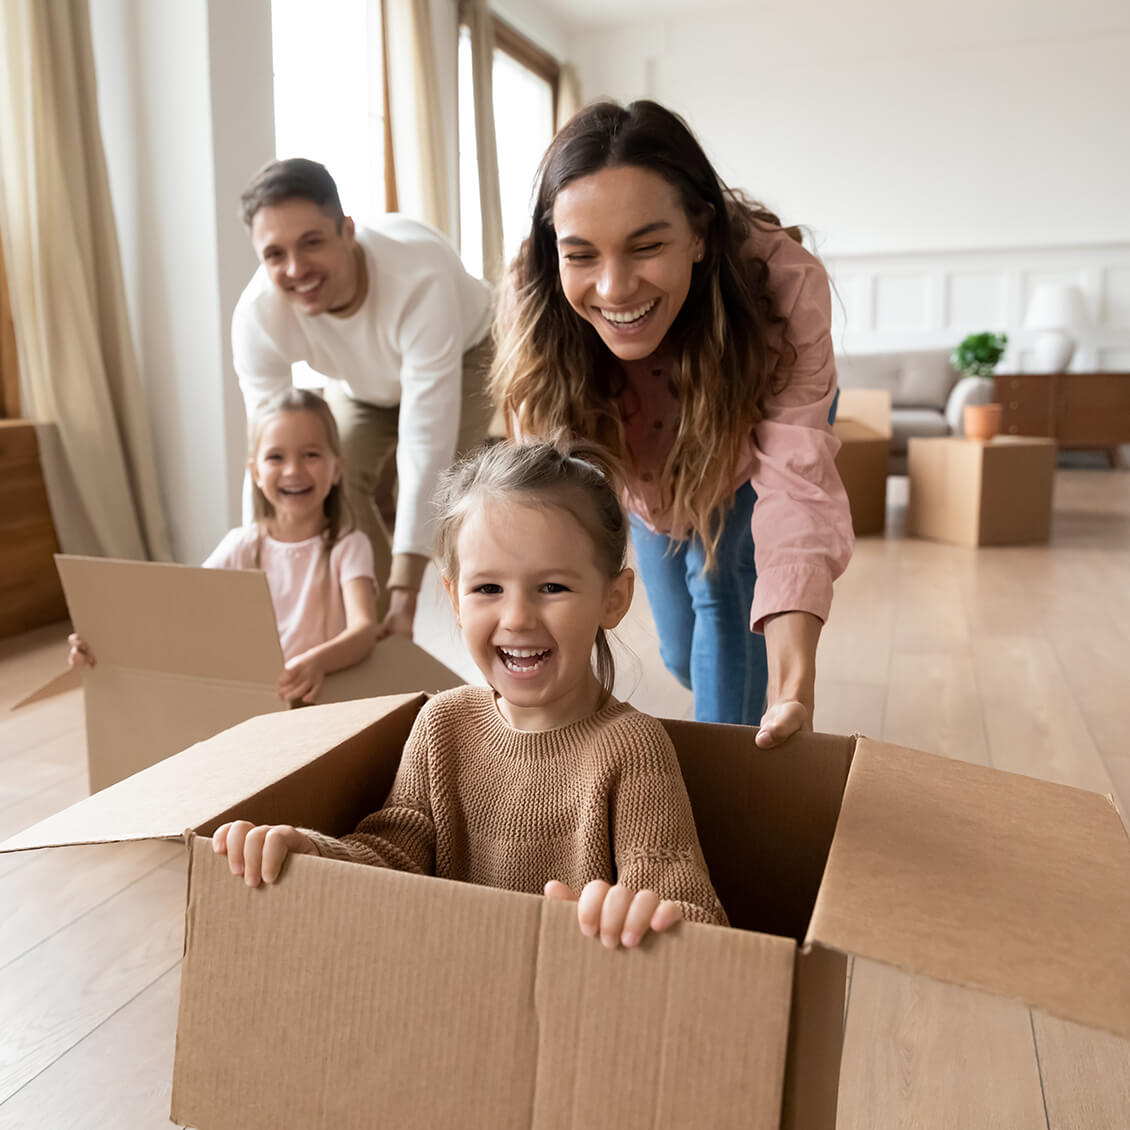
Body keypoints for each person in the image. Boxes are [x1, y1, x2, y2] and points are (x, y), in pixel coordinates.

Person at [212, 440, 728, 947]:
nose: (518, 618)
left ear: (612, 601)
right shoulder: (442, 725)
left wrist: (636, 919)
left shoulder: (633, 750)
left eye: (552, 588)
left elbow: (699, 919)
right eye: (487, 589)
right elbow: (395, 856)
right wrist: (312, 854)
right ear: (454, 600)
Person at [491, 100, 853, 743]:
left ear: (700, 234)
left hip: (745, 459)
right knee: (684, 655)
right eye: (582, 256)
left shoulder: (784, 286)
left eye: (647, 246)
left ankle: (728, 785)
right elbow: (539, 493)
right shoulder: (537, 293)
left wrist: (793, 687)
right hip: (644, 482)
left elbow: (797, 489)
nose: (615, 288)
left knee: (721, 595)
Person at [232, 157, 494, 640]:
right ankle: (366, 628)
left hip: (465, 353)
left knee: (444, 499)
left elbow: (424, 443)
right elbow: (267, 455)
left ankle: (448, 617)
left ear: (347, 231)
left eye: (312, 242)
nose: (295, 269)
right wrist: (256, 578)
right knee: (331, 475)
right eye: (274, 255)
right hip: (361, 381)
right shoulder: (257, 317)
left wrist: (406, 594)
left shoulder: (419, 276)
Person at [69, 388, 378, 705]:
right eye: (276, 457)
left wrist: (316, 663)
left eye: (311, 454)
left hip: (323, 703)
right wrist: (104, 642)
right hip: (252, 702)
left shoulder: (349, 546)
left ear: (337, 468)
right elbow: (179, 606)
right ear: (256, 472)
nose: (293, 470)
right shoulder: (240, 546)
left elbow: (364, 630)